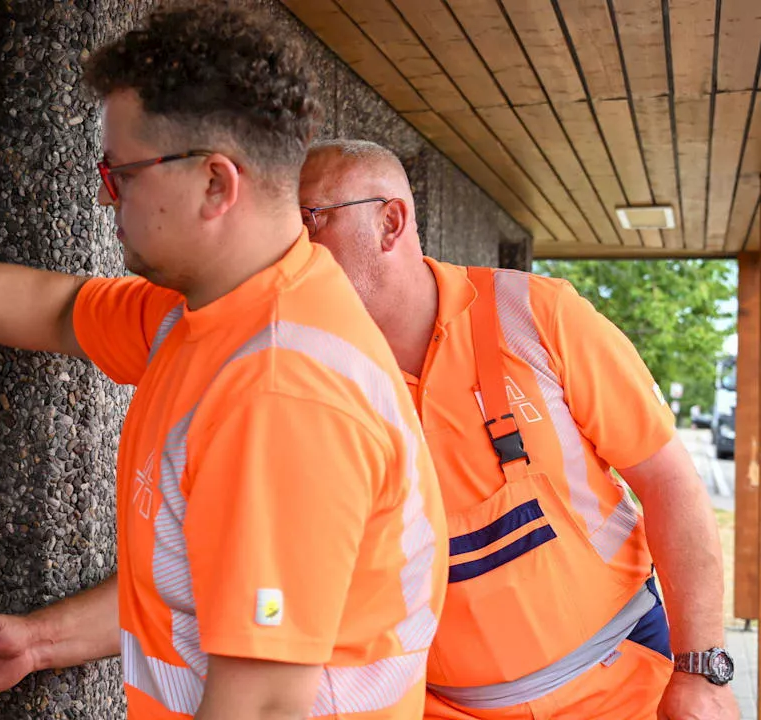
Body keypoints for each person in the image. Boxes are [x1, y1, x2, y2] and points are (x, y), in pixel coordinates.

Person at [0, 7, 447, 718]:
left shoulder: (279, 391)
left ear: (215, 184)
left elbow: (265, 703)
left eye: (122, 175)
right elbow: (59, 310)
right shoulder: (219, 310)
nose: (106, 198)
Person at [298, 139, 737, 720]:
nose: (289, 249)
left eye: (310, 219)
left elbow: (668, 482)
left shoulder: (537, 314)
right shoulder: (309, 371)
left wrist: (701, 670)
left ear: (390, 221)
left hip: (626, 686)